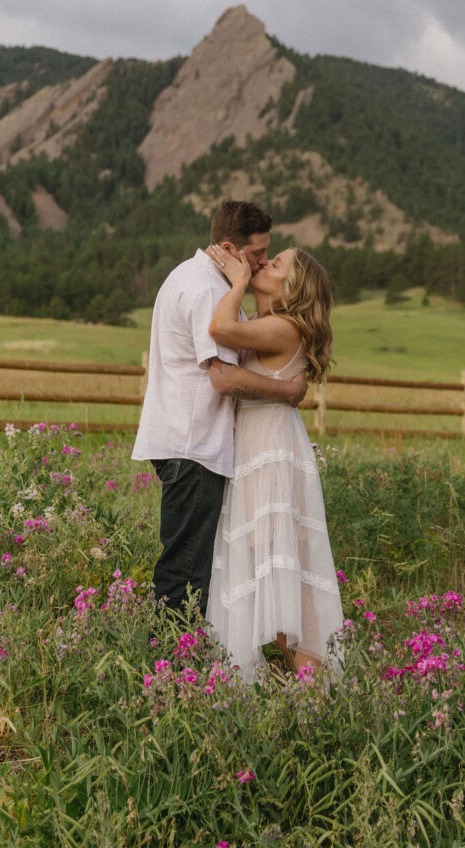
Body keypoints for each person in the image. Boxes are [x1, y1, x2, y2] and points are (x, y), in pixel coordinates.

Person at [132, 201, 308, 618]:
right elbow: (224, 378)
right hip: (194, 445)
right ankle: (173, 668)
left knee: (189, 561)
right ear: (230, 247)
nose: (263, 261)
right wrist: (286, 390)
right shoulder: (210, 290)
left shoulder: (194, 275)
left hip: (184, 440)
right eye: (257, 254)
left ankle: (181, 660)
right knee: (187, 568)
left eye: (268, 253)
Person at [205, 244, 344, 682]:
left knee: (287, 573)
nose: (265, 262)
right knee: (273, 568)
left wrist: (239, 280)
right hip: (257, 449)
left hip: (271, 453)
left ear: (292, 287)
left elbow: (219, 327)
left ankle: (315, 694)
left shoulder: (284, 328)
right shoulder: (268, 325)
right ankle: (302, 687)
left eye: (276, 263)